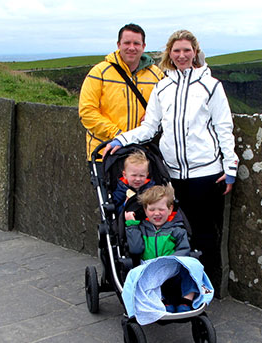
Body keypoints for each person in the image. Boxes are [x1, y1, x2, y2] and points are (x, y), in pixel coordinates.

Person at [103, 30, 238, 293]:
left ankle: (203, 286)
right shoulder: (162, 87)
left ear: (195, 52)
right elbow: (150, 127)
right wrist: (121, 140)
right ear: (169, 54)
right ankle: (173, 284)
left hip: (206, 173)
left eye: (187, 50)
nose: (182, 55)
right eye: (176, 50)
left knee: (204, 233)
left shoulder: (211, 86)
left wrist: (229, 167)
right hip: (171, 176)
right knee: (174, 231)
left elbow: (224, 128)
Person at [79, 23, 165, 161]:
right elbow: (87, 112)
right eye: (127, 43)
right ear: (118, 45)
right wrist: (119, 135)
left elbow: (169, 107)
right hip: (105, 153)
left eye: (136, 43)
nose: (132, 48)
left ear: (144, 46)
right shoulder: (99, 72)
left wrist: (154, 116)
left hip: (142, 155)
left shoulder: (157, 75)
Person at [125, 184, 196, 313]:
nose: (156, 213)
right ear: (145, 210)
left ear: (170, 209)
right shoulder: (141, 229)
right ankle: (161, 300)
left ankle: (187, 300)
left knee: (191, 269)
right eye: (152, 210)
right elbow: (135, 249)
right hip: (150, 268)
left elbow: (184, 249)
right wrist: (132, 225)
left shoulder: (176, 230)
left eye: (161, 209)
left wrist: (170, 260)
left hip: (172, 267)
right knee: (142, 278)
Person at [112, 150, 154, 216]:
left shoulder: (151, 188)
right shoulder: (121, 189)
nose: (138, 179)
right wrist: (125, 204)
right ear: (125, 175)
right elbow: (116, 210)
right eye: (134, 175)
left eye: (142, 176)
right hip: (128, 218)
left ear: (147, 175)